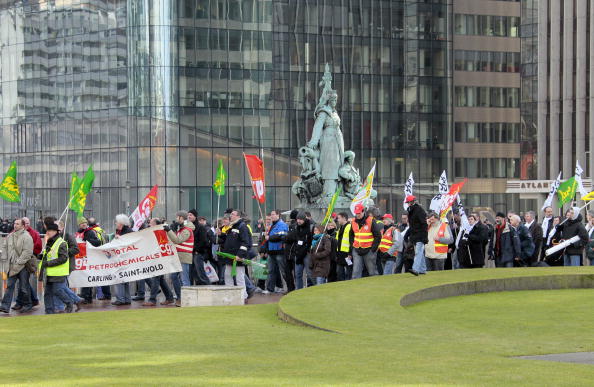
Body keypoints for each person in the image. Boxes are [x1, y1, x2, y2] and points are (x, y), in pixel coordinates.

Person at [38, 222, 74, 314]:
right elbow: (50, 256)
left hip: (58, 272)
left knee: (57, 291)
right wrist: (41, 257)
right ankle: (49, 311)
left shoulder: (61, 243)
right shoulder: (50, 242)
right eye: (47, 231)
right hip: (49, 272)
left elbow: (63, 258)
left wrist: (48, 263)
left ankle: (69, 302)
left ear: (55, 231)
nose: (48, 232)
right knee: (47, 293)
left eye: (50, 230)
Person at [0, 219, 34, 314]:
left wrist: (19, 262)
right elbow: (4, 247)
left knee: (23, 287)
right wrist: (5, 259)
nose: (15, 225)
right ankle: (5, 306)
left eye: (17, 224)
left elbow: (27, 252)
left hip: (23, 266)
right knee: (10, 286)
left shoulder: (27, 237)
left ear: (23, 226)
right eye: (14, 223)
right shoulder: (10, 236)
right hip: (11, 265)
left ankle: (28, 304)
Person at [141, 218, 175, 306]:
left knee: (156, 278)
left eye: (151, 223)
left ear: (155, 224)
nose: (149, 225)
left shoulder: (159, 232)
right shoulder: (156, 232)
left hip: (160, 259)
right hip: (160, 259)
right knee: (160, 279)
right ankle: (169, 297)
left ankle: (152, 300)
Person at [164, 211, 195, 306]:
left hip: (184, 257)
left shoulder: (187, 230)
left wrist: (168, 230)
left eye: (177, 217)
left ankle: (187, 300)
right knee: (173, 277)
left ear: (181, 218)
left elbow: (177, 240)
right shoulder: (182, 229)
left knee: (185, 279)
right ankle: (180, 297)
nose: (176, 219)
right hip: (179, 257)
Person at [219, 210, 251, 300]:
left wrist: (240, 255)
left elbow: (246, 243)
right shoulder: (233, 226)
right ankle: (230, 294)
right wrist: (221, 234)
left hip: (237, 257)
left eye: (233, 214)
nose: (230, 216)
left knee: (239, 277)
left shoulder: (242, 227)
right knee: (227, 275)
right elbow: (229, 239)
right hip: (230, 257)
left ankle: (243, 296)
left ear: (238, 216)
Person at [350, 203, 382, 279]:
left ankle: (375, 287)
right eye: (356, 213)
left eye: (359, 213)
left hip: (369, 250)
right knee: (355, 273)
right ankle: (355, 289)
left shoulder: (371, 221)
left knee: (372, 272)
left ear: (363, 211)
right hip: (357, 249)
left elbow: (378, 236)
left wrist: (373, 249)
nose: (357, 215)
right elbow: (351, 235)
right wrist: (352, 246)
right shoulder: (353, 221)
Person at [77, 216, 104, 304]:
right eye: (82, 223)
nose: (84, 224)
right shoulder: (78, 233)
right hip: (81, 258)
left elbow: (97, 242)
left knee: (87, 277)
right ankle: (85, 296)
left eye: (85, 222)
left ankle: (87, 297)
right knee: (83, 277)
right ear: (79, 225)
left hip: (89, 258)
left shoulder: (90, 232)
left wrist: (87, 240)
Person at [285, 210, 312, 290]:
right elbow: (291, 237)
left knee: (309, 273)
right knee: (297, 274)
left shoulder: (310, 227)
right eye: (297, 219)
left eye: (300, 219)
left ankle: (314, 288)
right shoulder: (296, 226)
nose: (298, 221)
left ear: (304, 219)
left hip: (307, 253)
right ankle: (298, 290)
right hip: (298, 253)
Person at [264, 210, 289, 294]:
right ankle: (270, 289)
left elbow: (281, 236)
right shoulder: (271, 225)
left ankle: (289, 288)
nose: (271, 216)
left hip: (279, 251)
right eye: (271, 214)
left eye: (273, 214)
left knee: (283, 271)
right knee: (271, 271)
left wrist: (269, 237)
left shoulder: (282, 225)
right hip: (271, 252)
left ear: (278, 215)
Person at [112, 214, 133, 306]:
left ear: (121, 223)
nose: (116, 223)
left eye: (117, 221)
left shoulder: (128, 231)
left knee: (120, 278)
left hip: (125, 258)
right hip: (121, 258)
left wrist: (119, 239)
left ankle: (120, 299)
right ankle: (127, 299)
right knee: (124, 279)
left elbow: (129, 243)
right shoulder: (119, 231)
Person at [406, 195, 428, 276]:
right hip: (415, 235)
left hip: (420, 235)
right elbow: (412, 226)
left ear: (412, 202)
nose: (408, 204)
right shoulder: (411, 211)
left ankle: (415, 269)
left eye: (408, 202)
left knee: (418, 252)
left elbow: (424, 224)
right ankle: (423, 269)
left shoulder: (419, 210)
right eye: (407, 202)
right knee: (420, 253)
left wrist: (425, 236)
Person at [334, 212, 353, 281]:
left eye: (339, 218)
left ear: (344, 218)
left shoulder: (350, 227)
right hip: (340, 254)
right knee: (339, 273)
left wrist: (350, 253)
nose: (338, 220)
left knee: (349, 272)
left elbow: (352, 241)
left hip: (347, 254)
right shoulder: (340, 228)